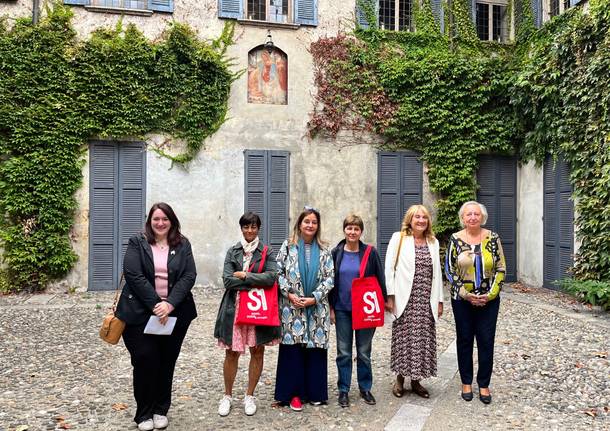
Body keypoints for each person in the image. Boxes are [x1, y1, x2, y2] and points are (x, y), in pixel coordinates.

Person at [116, 202, 197, 431]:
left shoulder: (183, 244)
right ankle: (144, 414)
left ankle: (161, 409)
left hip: (175, 314)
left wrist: (170, 304)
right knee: (144, 359)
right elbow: (133, 274)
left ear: (172, 221)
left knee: (166, 361)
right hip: (139, 312)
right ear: (150, 221)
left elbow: (189, 275)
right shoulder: (137, 242)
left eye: (165, 219)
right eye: (156, 219)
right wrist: (156, 304)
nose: (160, 223)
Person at [214, 212, 280, 417]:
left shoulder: (267, 252)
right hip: (234, 308)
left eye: (253, 227)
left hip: (258, 308)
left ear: (258, 228)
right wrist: (255, 280)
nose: (250, 231)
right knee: (231, 352)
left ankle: (249, 395)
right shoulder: (233, 251)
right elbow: (227, 281)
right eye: (246, 227)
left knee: (257, 350)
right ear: (241, 228)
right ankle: (227, 396)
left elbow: (271, 278)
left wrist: (244, 275)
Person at [274, 206, 334, 411]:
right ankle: (294, 395)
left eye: (314, 222)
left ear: (318, 226)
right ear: (299, 224)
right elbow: (278, 273)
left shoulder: (325, 249)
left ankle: (316, 393)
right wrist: (289, 294)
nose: (310, 225)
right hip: (292, 308)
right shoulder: (287, 247)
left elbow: (329, 278)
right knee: (293, 352)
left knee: (316, 351)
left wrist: (314, 298)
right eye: (306, 221)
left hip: (316, 309)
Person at [445, 201, 506, 404]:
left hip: (489, 301)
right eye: (468, 214)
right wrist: (466, 294)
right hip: (462, 301)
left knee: (486, 341)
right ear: (463, 218)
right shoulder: (455, 239)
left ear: (482, 217)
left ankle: (484, 384)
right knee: (464, 340)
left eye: (476, 214)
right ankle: (466, 382)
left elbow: (500, 268)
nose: (472, 217)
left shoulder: (493, 238)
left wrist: (490, 294)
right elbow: (449, 270)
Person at [384, 204, 444, 399]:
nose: (421, 220)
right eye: (417, 217)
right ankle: (400, 379)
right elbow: (389, 268)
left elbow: (438, 273)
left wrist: (439, 300)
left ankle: (417, 381)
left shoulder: (433, 242)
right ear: (410, 220)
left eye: (424, 217)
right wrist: (390, 296)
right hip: (405, 299)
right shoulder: (399, 238)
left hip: (426, 299)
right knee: (404, 340)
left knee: (423, 341)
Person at [330, 214, 386, 408]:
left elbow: (380, 278)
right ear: (344, 230)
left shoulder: (370, 253)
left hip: (365, 310)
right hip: (342, 309)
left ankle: (365, 387)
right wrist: (331, 308)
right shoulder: (336, 253)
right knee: (343, 352)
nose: (352, 232)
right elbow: (331, 283)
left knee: (363, 352)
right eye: (349, 228)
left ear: (361, 232)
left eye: (356, 229)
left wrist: (384, 303)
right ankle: (343, 389)